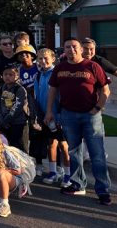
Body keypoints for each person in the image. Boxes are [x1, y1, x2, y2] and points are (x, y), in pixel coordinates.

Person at [44, 38, 111, 205]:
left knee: (97, 155)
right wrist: (50, 110)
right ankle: (77, 184)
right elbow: (53, 89)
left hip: (91, 116)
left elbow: (105, 90)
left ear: (81, 49)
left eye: (74, 47)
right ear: (63, 50)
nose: (71, 49)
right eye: (67, 47)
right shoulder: (60, 68)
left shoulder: (93, 66)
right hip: (68, 115)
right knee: (74, 153)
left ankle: (103, 190)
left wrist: (97, 108)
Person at [34, 48, 71, 187]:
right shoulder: (38, 76)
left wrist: (60, 116)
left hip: (59, 116)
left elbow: (63, 97)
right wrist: (40, 116)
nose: (43, 61)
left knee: (64, 145)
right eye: (40, 58)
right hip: (46, 117)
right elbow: (37, 98)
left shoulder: (58, 74)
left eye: (46, 58)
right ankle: (53, 172)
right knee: (51, 145)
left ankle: (68, 175)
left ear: (53, 58)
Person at [0, 66, 29, 152]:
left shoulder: (20, 89)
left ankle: (25, 165)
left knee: (19, 146)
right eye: (5, 74)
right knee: (7, 146)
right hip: (4, 122)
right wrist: (0, 118)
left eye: (11, 74)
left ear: (17, 76)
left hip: (18, 122)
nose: (7, 76)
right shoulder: (2, 88)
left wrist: (7, 119)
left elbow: (17, 107)